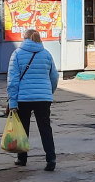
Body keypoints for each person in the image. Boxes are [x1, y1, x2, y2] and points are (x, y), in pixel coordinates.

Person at [7, 29, 60, 171]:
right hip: (43, 99)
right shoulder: (46, 54)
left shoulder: (17, 54)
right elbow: (54, 77)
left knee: (22, 129)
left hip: (23, 99)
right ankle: (51, 159)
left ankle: (22, 158)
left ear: (24, 39)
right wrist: (49, 93)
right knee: (45, 128)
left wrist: (12, 102)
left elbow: (13, 80)